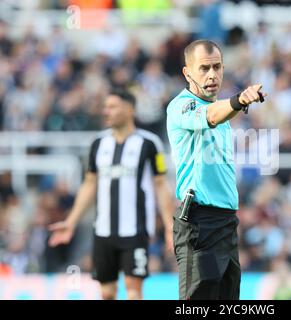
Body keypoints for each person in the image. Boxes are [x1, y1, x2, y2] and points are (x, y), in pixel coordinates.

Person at [48, 88, 174, 300]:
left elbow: (160, 185)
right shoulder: (99, 144)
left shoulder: (149, 143)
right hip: (103, 231)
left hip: (136, 230)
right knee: (106, 293)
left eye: (112, 106)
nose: (106, 111)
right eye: (105, 107)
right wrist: (71, 221)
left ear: (130, 109)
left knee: (133, 290)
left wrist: (170, 226)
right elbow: (89, 184)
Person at [166, 39, 266, 300]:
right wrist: (239, 99)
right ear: (187, 73)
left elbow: (218, 113)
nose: (212, 75)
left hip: (225, 223)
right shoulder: (182, 106)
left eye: (217, 67)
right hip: (200, 224)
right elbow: (209, 115)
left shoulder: (222, 111)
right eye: (204, 69)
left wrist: (239, 103)